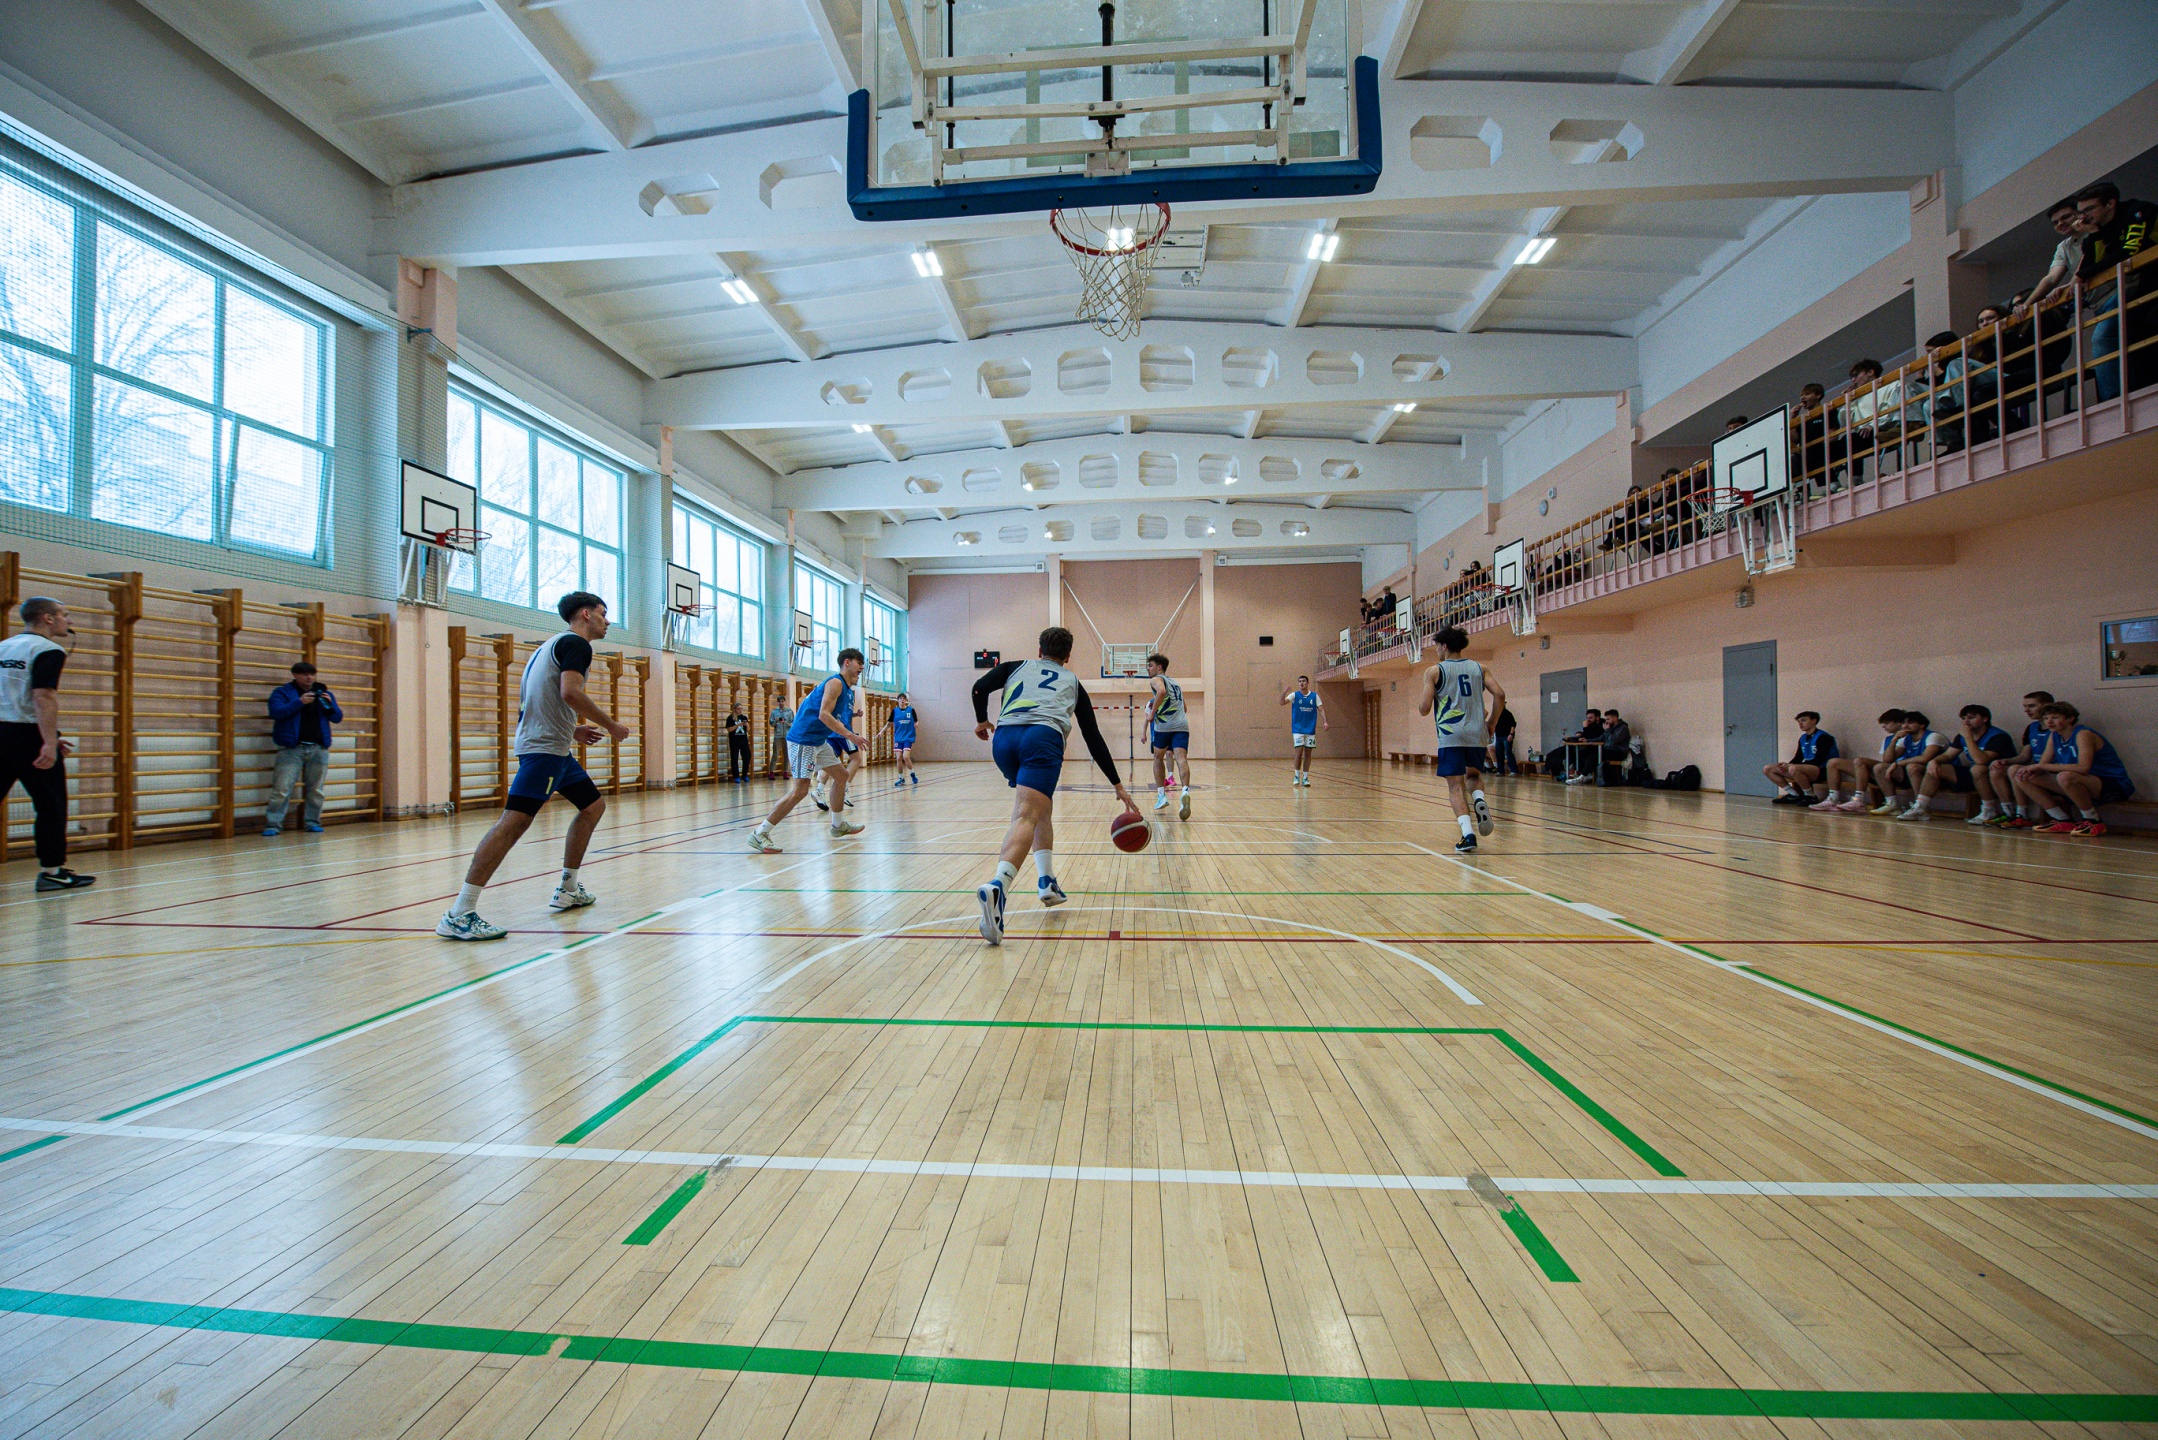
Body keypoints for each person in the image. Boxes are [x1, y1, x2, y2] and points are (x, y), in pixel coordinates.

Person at [437, 591, 629, 940]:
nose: (608, 621)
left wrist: (572, 730)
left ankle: (568, 888)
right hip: (544, 752)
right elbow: (570, 693)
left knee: (593, 807)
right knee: (513, 824)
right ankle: (459, 912)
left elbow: (541, 698)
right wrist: (611, 725)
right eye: (603, 613)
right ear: (586, 615)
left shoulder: (550, 646)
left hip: (555, 749)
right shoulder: (577, 644)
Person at [970, 627, 1138, 944]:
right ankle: (998, 886)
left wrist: (981, 719)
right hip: (1041, 738)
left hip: (1004, 740)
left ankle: (1046, 881)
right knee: (1026, 815)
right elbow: (1093, 737)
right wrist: (1117, 783)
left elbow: (979, 688)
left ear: (1039, 650)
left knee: (1040, 808)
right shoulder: (1072, 682)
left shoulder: (1015, 666)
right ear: (1068, 656)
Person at [0, 597, 94, 892]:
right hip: (27, 736)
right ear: (48, 618)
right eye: (65, 615)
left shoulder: (3, 647)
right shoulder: (48, 649)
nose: (70, 621)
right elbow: (43, 697)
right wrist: (48, 742)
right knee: (51, 804)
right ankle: (52, 872)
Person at [748, 649, 868, 853]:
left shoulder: (848, 691)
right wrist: (850, 735)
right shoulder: (836, 683)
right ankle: (760, 833)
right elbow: (823, 714)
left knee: (841, 775)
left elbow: (834, 717)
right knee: (801, 790)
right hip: (804, 739)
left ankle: (838, 825)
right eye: (859, 663)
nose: (862, 668)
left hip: (818, 740)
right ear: (847, 662)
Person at [1417, 626, 1502, 853]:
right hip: (1477, 733)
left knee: (1455, 786)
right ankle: (1479, 799)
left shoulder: (1434, 672)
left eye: (1437, 646)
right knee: (1473, 776)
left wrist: (1424, 702)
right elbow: (1500, 694)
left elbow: (1425, 708)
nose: (1437, 650)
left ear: (1444, 646)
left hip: (1451, 734)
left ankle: (1468, 834)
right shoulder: (1480, 668)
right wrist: (1492, 722)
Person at [2074, 181, 2155, 402]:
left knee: (2104, 336)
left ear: (2110, 204)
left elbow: (2130, 250)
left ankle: (2112, 400)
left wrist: (2083, 274)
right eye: (2081, 213)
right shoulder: (2099, 230)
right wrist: (2093, 234)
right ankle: (2118, 397)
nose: (2084, 217)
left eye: (2089, 210)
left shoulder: (2137, 211)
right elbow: (2092, 264)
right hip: (2141, 284)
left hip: (2149, 280)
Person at [2010, 701, 2135, 836]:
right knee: (2023, 775)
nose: (2049, 722)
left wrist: (2040, 766)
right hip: (2080, 782)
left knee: (2065, 776)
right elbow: (2043, 764)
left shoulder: (2083, 734)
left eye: (2055, 717)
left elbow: (2083, 768)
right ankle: (2062, 819)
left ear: (2070, 718)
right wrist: (2027, 769)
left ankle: (2093, 820)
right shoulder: (2054, 735)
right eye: (2046, 718)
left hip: (2112, 784)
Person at [263, 660, 342, 835]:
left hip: (318, 748)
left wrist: (329, 705)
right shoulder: (282, 692)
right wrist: (299, 702)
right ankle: (273, 825)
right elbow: (276, 713)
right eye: (305, 674)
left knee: (316, 790)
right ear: (295, 675)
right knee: (282, 790)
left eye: (312, 674)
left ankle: (312, 822)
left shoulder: (323, 693)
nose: (309, 678)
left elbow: (337, 718)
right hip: (291, 749)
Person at [1905, 704, 2015, 822]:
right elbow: (1948, 755)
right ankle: (1921, 807)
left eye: (1971, 718)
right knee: (1937, 768)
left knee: (1978, 768)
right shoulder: (1961, 737)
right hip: (1975, 776)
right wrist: (1934, 761)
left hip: (1998, 776)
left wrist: (1968, 737)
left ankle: (1989, 810)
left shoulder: (1998, 736)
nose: (1966, 722)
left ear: (1985, 719)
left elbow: (1981, 760)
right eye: (1963, 718)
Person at [1812, 709, 1906, 812]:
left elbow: (1887, 760)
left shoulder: (1907, 738)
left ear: (1899, 723)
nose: (1883, 726)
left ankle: (1858, 799)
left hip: (1898, 773)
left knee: (1860, 761)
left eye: (1887, 723)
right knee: (1833, 762)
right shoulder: (1888, 739)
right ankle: (1833, 799)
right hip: (1881, 772)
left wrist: (1895, 740)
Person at [1985, 691, 2054, 828]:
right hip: (2036, 770)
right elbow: (2025, 756)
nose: (2026, 710)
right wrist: (2005, 761)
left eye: (2031, 706)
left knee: (2015, 770)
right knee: (1997, 769)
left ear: (2047, 705)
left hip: (2051, 770)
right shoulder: (2032, 728)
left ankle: (2023, 815)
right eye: (2025, 706)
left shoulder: (2056, 728)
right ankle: (2009, 812)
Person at [1867, 711, 1944, 815]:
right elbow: (1887, 760)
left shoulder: (1933, 736)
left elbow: (1925, 758)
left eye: (1910, 722)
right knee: (1880, 767)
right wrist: (1894, 740)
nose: (1905, 726)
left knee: (1913, 767)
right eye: (1903, 723)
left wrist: (1897, 764)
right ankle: (1892, 804)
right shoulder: (1906, 738)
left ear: (1922, 724)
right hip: (1913, 772)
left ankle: (1920, 807)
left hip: (1937, 774)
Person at [1145, 652, 1193, 820]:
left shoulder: (1156, 680)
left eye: (1150, 666)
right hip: (1182, 725)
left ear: (1159, 667)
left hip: (1164, 725)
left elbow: (1161, 691)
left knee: (1158, 757)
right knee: (1181, 759)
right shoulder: (1176, 684)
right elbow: (1184, 708)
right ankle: (1185, 791)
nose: (1148, 669)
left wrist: (1153, 713)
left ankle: (1161, 796)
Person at [1766, 711, 1837, 804]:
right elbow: (1798, 757)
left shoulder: (1824, 737)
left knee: (1793, 768)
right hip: (1807, 768)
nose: (1800, 723)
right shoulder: (1803, 738)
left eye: (1803, 720)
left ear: (1813, 721)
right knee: (1768, 769)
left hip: (1823, 769)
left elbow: (1820, 759)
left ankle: (1810, 796)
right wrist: (1786, 765)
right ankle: (1793, 794)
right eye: (1799, 721)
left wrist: (1791, 766)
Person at [1280, 676, 1327, 785]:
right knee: (1299, 751)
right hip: (1298, 729)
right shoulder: (1294, 695)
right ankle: (1296, 776)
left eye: (1303, 681)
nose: (1301, 683)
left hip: (1310, 729)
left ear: (1307, 683)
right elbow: (1282, 703)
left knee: (1308, 753)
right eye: (1300, 681)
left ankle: (1305, 778)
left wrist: (1325, 722)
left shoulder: (1314, 696)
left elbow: (1321, 709)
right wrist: (1284, 693)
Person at [1561, 708, 1604, 784]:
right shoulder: (1591, 725)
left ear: (1597, 718)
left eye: (1591, 718)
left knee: (1591, 756)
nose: (1588, 720)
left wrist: (1585, 727)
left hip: (1599, 749)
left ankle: (1583, 775)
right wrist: (1573, 738)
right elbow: (1585, 736)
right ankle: (1580, 773)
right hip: (1590, 748)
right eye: (1587, 718)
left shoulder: (1602, 726)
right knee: (1575, 754)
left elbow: (1592, 736)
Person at [889, 691, 919, 787]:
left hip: (908, 737)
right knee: (898, 758)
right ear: (898, 700)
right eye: (900, 698)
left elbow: (916, 721)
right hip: (898, 738)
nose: (902, 700)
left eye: (903, 698)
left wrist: (916, 724)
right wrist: (881, 731)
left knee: (906, 757)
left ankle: (912, 774)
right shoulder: (894, 711)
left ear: (906, 700)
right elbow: (889, 723)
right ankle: (901, 778)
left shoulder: (911, 710)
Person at [765, 695, 794, 778]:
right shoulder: (774, 712)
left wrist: (786, 723)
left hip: (787, 736)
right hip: (778, 736)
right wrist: (776, 721)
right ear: (777, 702)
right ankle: (771, 772)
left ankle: (785, 771)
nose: (781, 703)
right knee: (775, 754)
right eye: (779, 702)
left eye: (782, 701)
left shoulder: (789, 711)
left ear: (785, 702)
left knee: (787, 754)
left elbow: (793, 723)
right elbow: (771, 724)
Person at [1488, 702, 1518, 777]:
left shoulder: (1507, 713)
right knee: (1499, 753)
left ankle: (1514, 770)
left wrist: (1511, 734)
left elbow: (1513, 724)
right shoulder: (1496, 715)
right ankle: (1500, 771)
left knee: (1508, 752)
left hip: (1506, 736)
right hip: (1498, 736)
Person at [726, 706, 751, 782]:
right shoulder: (730, 718)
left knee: (747, 757)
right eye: (738, 709)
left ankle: (744, 775)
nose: (740, 710)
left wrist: (747, 725)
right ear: (735, 709)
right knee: (734, 758)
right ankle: (736, 776)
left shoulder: (744, 717)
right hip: (734, 741)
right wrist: (738, 725)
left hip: (743, 741)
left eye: (741, 709)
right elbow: (729, 729)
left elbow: (747, 730)